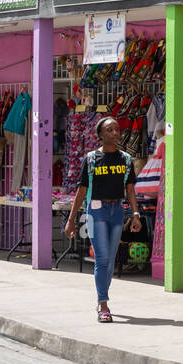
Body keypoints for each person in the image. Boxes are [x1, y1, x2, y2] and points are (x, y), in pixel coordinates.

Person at [65, 116, 141, 322]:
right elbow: (82, 190)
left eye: (117, 129)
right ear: (100, 134)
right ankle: (103, 304)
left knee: (110, 260)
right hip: (96, 212)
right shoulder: (91, 159)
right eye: (109, 130)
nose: (115, 133)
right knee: (103, 258)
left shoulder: (125, 159)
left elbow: (130, 190)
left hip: (117, 211)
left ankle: (102, 296)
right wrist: (71, 220)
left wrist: (135, 214)